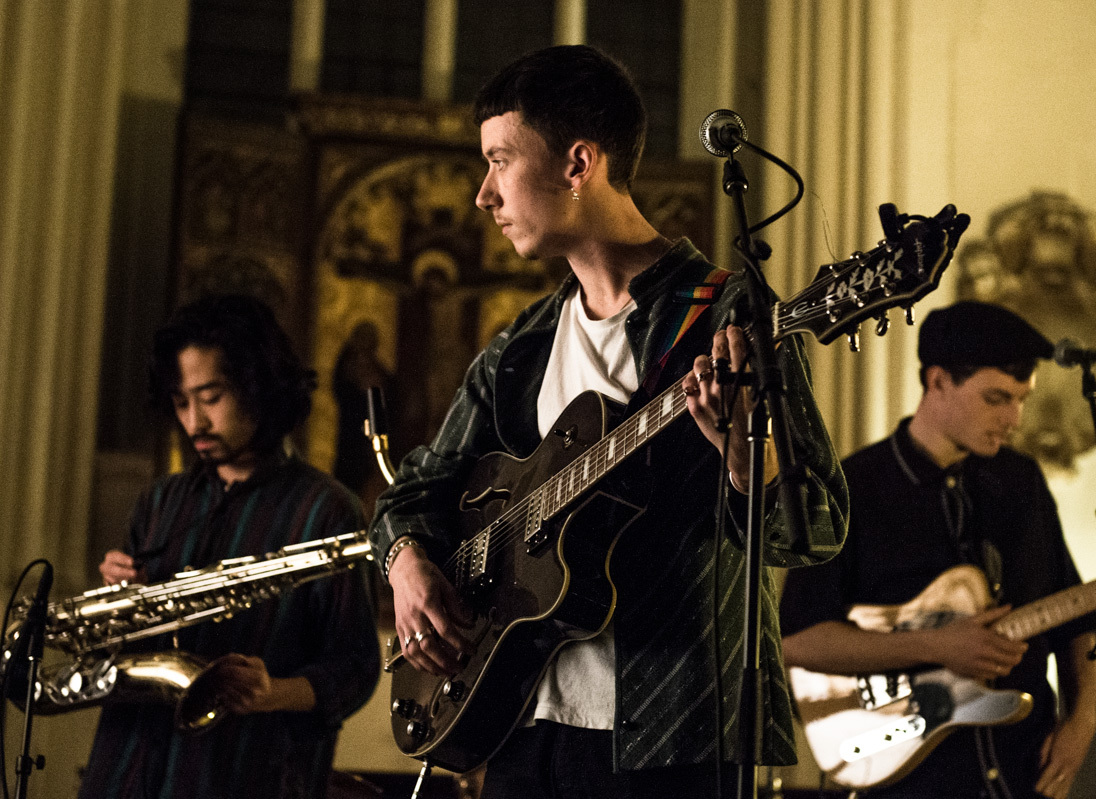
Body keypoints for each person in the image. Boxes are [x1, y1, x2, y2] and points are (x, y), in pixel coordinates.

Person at [369, 45, 848, 798]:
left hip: (679, 733)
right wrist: (405, 563)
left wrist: (742, 455)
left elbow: (817, 527)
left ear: (577, 163)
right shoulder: (520, 348)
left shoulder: (731, 318)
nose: (482, 194)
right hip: (524, 727)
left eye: (499, 160)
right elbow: (411, 494)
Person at [781, 301, 1096, 799]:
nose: (1014, 419)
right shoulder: (851, 488)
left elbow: (1076, 615)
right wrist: (936, 646)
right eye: (996, 399)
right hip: (914, 778)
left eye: (1021, 399)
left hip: (1023, 768)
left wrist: (1082, 723)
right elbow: (799, 642)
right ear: (937, 381)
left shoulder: (1021, 482)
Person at [79, 294, 380, 799]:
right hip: (128, 769)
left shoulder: (327, 510)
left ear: (257, 387)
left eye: (211, 396)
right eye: (180, 402)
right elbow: (121, 660)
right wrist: (117, 605)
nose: (194, 422)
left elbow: (354, 670)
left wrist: (273, 693)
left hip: (245, 774)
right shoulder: (159, 502)